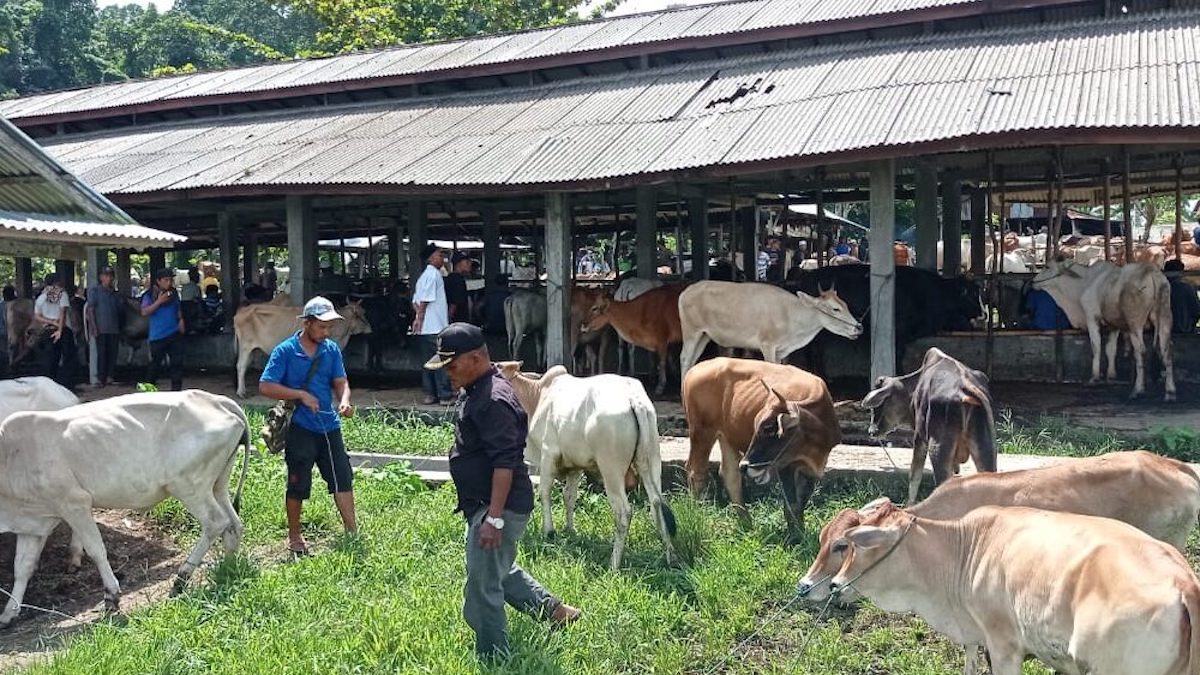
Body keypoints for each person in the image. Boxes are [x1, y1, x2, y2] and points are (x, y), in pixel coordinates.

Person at [425, 323, 580, 660]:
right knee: (496, 567)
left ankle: (494, 657)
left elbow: (505, 462)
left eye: (451, 366)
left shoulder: (493, 399)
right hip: (487, 503)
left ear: (477, 358)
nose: (447, 374)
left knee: (483, 587)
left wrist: (493, 519)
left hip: (499, 506)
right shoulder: (478, 387)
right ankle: (554, 612)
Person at [259, 296, 357, 555]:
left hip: (329, 426)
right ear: (308, 323)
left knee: (342, 478)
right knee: (298, 482)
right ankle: (294, 537)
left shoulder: (331, 350)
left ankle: (352, 532)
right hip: (300, 428)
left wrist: (345, 401)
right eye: (322, 326)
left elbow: (340, 381)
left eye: (329, 327)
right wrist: (300, 395)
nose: (327, 332)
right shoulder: (285, 351)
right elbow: (266, 385)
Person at [412, 243, 454, 405]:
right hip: (435, 326)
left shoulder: (423, 277)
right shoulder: (433, 275)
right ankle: (444, 395)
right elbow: (425, 300)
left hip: (424, 329)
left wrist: (417, 317)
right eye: (438, 255)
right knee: (441, 360)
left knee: (427, 363)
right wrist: (420, 317)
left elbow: (415, 301)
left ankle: (430, 394)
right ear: (431, 258)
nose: (441, 258)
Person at [141, 267, 185, 391]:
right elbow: (144, 312)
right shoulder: (149, 295)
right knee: (155, 366)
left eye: (170, 280)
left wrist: (181, 320)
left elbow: (178, 309)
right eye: (166, 280)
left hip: (174, 333)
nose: (169, 283)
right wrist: (159, 301)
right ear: (158, 281)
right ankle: (148, 391)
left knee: (176, 364)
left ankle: (176, 393)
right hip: (157, 336)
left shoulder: (174, 294)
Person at [34, 273, 76, 389]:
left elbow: (37, 316)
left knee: (50, 358)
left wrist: (51, 322)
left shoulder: (41, 298)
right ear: (56, 282)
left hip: (47, 330)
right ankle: (66, 384)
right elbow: (63, 313)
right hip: (63, 330)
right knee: (68, 357)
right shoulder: (62, 294)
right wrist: (60, 330)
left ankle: (50, 385)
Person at [86, 266, 123, 387]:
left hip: (114, 327)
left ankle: (110, 377)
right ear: (101, 277)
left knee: (113, 353)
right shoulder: (95, 291)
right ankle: (101, 378)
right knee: (102, 353)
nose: (108, 278)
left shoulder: (115, 293)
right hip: (101, 327)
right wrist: (93, 326)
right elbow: (90, 310)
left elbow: (119, 310)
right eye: (106, 275)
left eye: (110, 275)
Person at [1165, 259, 1200, 334]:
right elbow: (1196, 311)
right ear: (1180, 273)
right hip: (1186, 331)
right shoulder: (1187, 288)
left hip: (1164, 332)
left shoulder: (1160, 289)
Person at [444, 251, 471, 323]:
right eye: (467, 262)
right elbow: (454, 303)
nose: (470, 264)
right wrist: (449, 319)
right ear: (458, 263)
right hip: (457, 322)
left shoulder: (450, 278)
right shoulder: (457, 280)